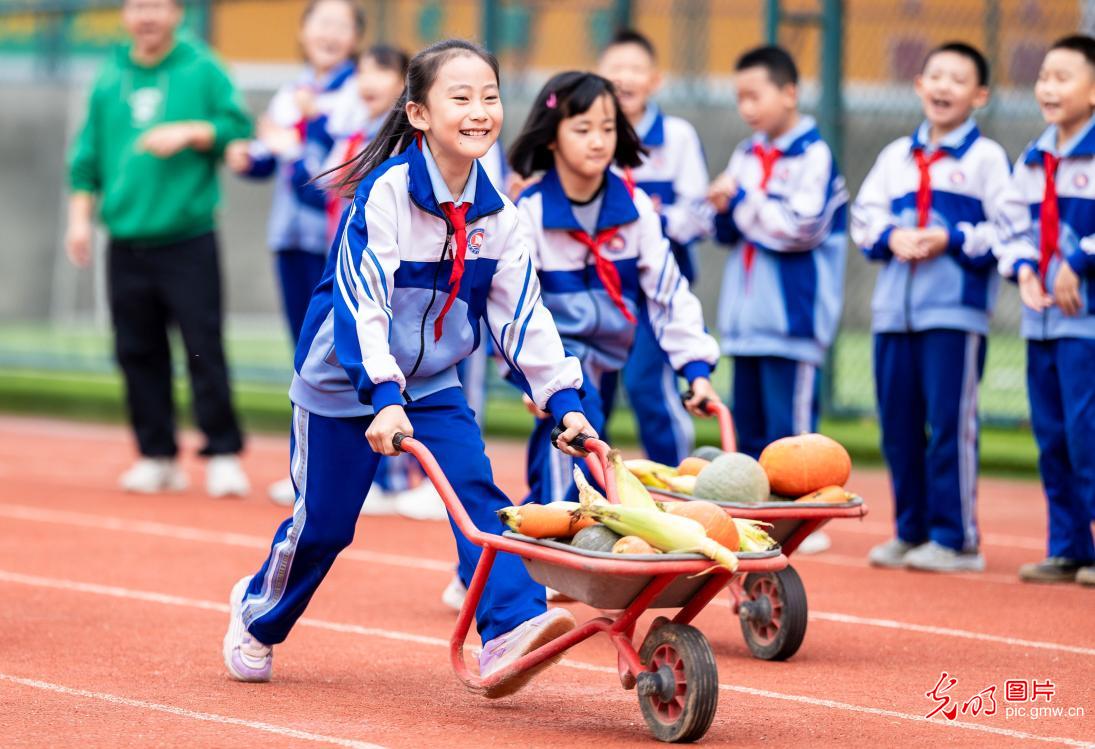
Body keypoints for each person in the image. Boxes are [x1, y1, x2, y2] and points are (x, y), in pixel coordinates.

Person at [222, 40, 598, 695]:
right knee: (324, 526)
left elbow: (523, 317)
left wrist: (562, 398)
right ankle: (258, 613)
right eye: (461, 97)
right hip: (345, 381)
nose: (480, 110)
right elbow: (362, 305)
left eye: (489, 96)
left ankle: (509, 626)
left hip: (430, 383)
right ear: (419, 114)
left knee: (477, 496)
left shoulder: (499, 217)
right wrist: (381, 391)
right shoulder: (384, 197)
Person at [508, 71, 721, 506]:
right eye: (582, 129)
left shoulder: (636, 208)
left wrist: (695, 367)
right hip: (555, 361)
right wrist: (536, 379)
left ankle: (497, 565)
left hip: (607, 360)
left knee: (571, 468)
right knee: (573, 463)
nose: (598, 140)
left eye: (607, 128)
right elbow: (516, 308)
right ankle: (541, 563)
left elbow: (668, 293)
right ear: (551, 137)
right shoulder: (528, 213)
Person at [65, 0, 252, 497]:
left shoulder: (203, 66)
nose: (146, 15)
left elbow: (239, 128)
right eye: (137, 6)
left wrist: (192, 131)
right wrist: (80, 222)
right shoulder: (109, 77)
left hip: (187, 237)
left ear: (175, 12)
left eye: (157, 5)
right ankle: (156, 453)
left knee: (201, 346)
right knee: (135, 350)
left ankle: (223, 452)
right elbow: (85, 162)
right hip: (125, 240)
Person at [851, 43, 1010, 573]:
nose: (944, 87)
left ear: (979, 95)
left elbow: (1007, 230)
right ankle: (910, 530)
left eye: (958, 79)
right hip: (894, 313)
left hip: (954, 314)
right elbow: (863, 219)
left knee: (949, 423)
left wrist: (952, 237)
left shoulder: (986, 160)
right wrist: (892, 236)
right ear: (919, 84)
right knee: (898, 425)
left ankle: (956, 537)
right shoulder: (896, 156)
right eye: (935, 75)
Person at [708, 45, 848, 554]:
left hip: (791, 321)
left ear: (789, 92)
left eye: (755, 95)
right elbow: (728, 231)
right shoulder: (747, 153)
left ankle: (803, 519)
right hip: (747, 320)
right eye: (739, 97)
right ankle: (759, 521)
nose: (747, 108)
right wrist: (725, 209)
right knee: (748, 428)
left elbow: (799, 228)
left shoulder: (813, 154)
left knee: (792, 431)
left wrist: (742, 200)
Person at [224, 0, 364, 506]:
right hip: (289, 236)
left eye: (340, 25)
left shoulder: (358, 91)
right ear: (303, 32)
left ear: (355, 37)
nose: (328, 33)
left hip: (333, 243)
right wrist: (249, 157)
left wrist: (296, 138)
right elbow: (271, 154)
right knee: (304, 353)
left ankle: (348, 474)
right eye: (319, 23)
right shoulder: (294, 89)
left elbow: (327, 172)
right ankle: (309, 469)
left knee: (342, 353)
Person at [995, 35, 1095, 587]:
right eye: (1043, 77)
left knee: (1089, 434)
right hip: (1044, 322)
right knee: (1053, 436)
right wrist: (1027, 267)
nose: (1048, 88)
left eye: (1063, 77)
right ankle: (1069, 546)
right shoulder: (1035, 158)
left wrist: (1078, 259)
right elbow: (1010, 225)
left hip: (1086, 323)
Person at [596, 29, 712, 466]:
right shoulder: (587, 133)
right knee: (591, 390)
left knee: (648, 385)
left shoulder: (677, 137)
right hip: (598, 287)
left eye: (635, 69)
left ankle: (674, 481)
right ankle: (593, 490)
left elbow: (698, 215)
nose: (625, 78)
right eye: (615, 69)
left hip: (654, 290)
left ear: (655, 79)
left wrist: (643, 221)